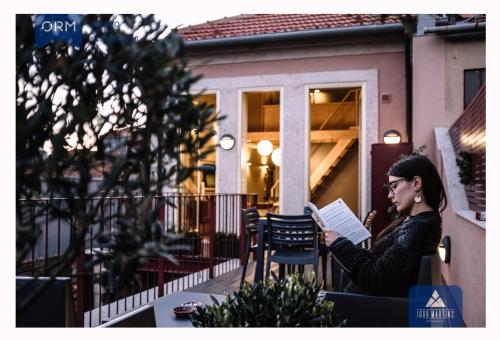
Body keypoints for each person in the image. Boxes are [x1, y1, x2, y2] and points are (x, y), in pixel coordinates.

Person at [324, 155, 447, 297]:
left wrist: (339, 244)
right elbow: (382, 262)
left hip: (370, 309)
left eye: (394, 186)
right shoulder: (417, 222)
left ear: (416, 183)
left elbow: (376, 279)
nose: (389, 195)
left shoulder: (419, 228)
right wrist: (343, 243)